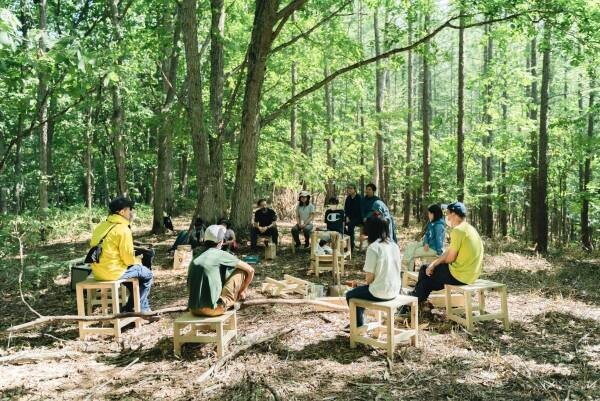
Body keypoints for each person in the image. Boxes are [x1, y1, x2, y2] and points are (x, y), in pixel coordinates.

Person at [409, 202, 483, 304]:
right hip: (471, 275)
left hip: (459, 275)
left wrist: (433, 265)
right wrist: (434, 263)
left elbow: (450, 258)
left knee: (423, 269)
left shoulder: (458, 230)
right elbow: (449, 251)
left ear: (453, 214)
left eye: (447, 213)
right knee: (427, 281)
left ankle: (414, 300)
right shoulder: (470, 228)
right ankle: (418, 298)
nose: (446, 216)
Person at [90, 197, 153, 312]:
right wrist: (138, 260)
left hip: (98, 271)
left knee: (137, 277)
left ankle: (130, 307)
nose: (132, 212)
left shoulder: (101, 226)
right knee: (147, 274)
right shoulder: (123, 229)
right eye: (130, 209)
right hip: (113, 272)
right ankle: (143, 310)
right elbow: (128, 260)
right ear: (122, 212)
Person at [345, 217, 402, 329]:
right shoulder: (394, 245)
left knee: (350, 295)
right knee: (360, 291)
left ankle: (358, 326)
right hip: (395, 289)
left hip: (380, 292)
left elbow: (369, 279)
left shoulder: (373, 247)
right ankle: (359, 322)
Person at [187, 225, 255, 317]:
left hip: (193, 309)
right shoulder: (220, 254)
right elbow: (250, 270)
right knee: (241, 271)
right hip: (213, 309)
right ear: (221, 242)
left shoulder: (196, 257)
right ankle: (233, 300)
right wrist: (243, 289)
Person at [401, 204, 445, 271]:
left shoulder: (439, 226)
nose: (428, 215)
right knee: (410, 247)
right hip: (427, 244)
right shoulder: (432, 223)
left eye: (430, 214)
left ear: (434, 214)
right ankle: (405, 265)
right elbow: (427, 234)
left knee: (413, 253)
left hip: (434, 249)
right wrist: (426, 243)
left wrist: (439, 253)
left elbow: (439, 240)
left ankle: (407, 271)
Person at [344, 184, 363, 251]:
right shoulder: (348, 198)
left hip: (358, 217)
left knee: (350, 225)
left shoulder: (359, 198)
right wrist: (347, 217)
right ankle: (349, 241)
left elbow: (360, 210)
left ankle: (351, 247)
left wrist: (351, 218)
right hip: (349, 217)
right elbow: (346, 209)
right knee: (340, 223)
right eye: (348, 188)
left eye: (351, 188)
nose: (349, 190)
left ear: (355, 189)